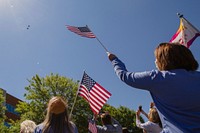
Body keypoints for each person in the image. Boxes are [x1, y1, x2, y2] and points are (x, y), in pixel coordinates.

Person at [107, 42, 200, 133]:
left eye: (157, 58)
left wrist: (114, 60)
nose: (155, 61)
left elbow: (125, 76)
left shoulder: (157, 78)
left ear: (165, 60)